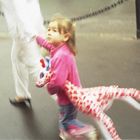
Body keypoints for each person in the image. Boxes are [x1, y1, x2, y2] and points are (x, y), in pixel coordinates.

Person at [34, 14, 96, 139]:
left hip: (68, 97)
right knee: (65, 117)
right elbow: (48, 45)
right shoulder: (60, 48)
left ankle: (86, 130)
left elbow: (58, 81)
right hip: (70, 95)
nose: (49, 32)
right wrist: (38, 39)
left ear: (66, 36)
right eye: (49, 29)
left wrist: (49, 88)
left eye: (54, 30)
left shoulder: (61, 56)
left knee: (67, 120)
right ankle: (66, 132)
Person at [0, 0, 45, 106]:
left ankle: (66, 100)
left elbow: (20, 9)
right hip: (27, 29)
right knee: (16, 58)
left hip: (24, 32)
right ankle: (22, 94)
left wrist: (32, 34)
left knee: (37, 68)